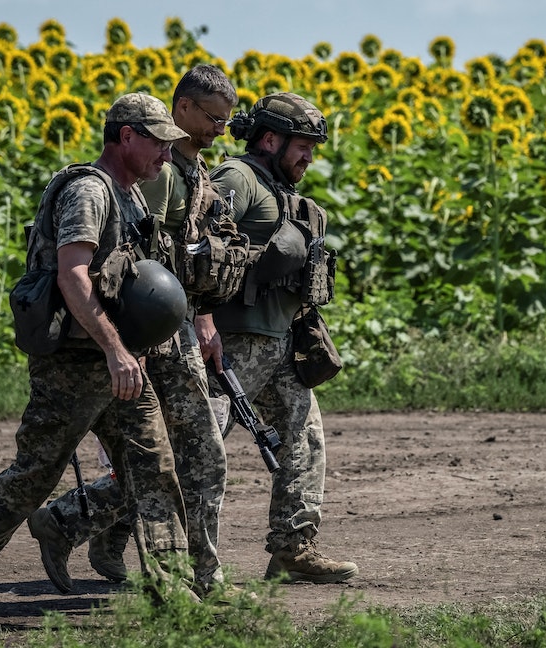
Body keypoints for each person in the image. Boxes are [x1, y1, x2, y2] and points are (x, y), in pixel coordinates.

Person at [0, 92, 196, 621]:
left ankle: (174, 590)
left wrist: (127, 350)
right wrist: (115, 350)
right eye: (158, 142)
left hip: (117, 361)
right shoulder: (90, 191)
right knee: (35, 474)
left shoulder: (131, 194)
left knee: (154, 465)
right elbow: (73, 274)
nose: (166, 154)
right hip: (75, 363)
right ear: (127, 136)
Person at [27, 65, 246, 601]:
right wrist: (134, 342)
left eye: (227, 120)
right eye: (214, 118)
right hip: (155, 334)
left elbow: (183, 258)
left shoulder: (191, 169)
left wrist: (204, 315)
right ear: (183, 109)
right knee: (183, 456)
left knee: (166, 456)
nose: (222, 129)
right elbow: (142, 265)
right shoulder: (157, 172)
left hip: (172, 328)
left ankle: (76, 525)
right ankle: (192, 580)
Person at [202, 92, 358, 584]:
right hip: (232, 344)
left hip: (281, 343)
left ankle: (293, 548)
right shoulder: (237, 179)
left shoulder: (283, 190)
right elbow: (200, 253)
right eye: (303, 146)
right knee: (197, 450)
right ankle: (72, 517)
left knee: (304, 441)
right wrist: (262, 261)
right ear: (269, 139)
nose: (309, 157)